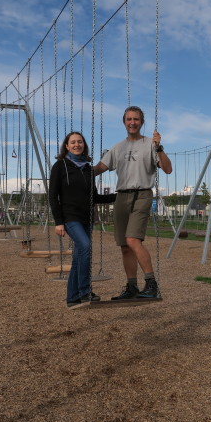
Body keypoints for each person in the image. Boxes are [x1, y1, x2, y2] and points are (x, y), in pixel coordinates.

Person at [93, 106, 172, 300]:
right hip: (121, 196)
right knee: (124, 246)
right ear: (124, 122)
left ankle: (152, 284)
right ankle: (132, 287)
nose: (132, 122)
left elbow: (167, 169)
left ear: (141, 122)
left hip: (142, 194)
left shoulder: (150, 144)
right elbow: (99, 168)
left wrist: (159, 147)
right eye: (129, 119)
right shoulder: (117, 147)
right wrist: (74, 169)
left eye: (136, 119)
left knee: (133, 240)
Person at [49, 131, 117, 309]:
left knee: (79, 257)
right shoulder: (60, 166)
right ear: (66, 146)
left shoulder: (87, 169)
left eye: (80, 142)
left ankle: (72, 298)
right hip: (69, 217)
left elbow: (94, 197)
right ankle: (85, 291)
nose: (77, 145)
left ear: (84, 146)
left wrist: (118, 196)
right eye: (73, 142)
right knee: (85, 246)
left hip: (86, 217)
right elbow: (52, 196)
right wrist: (58, 222)